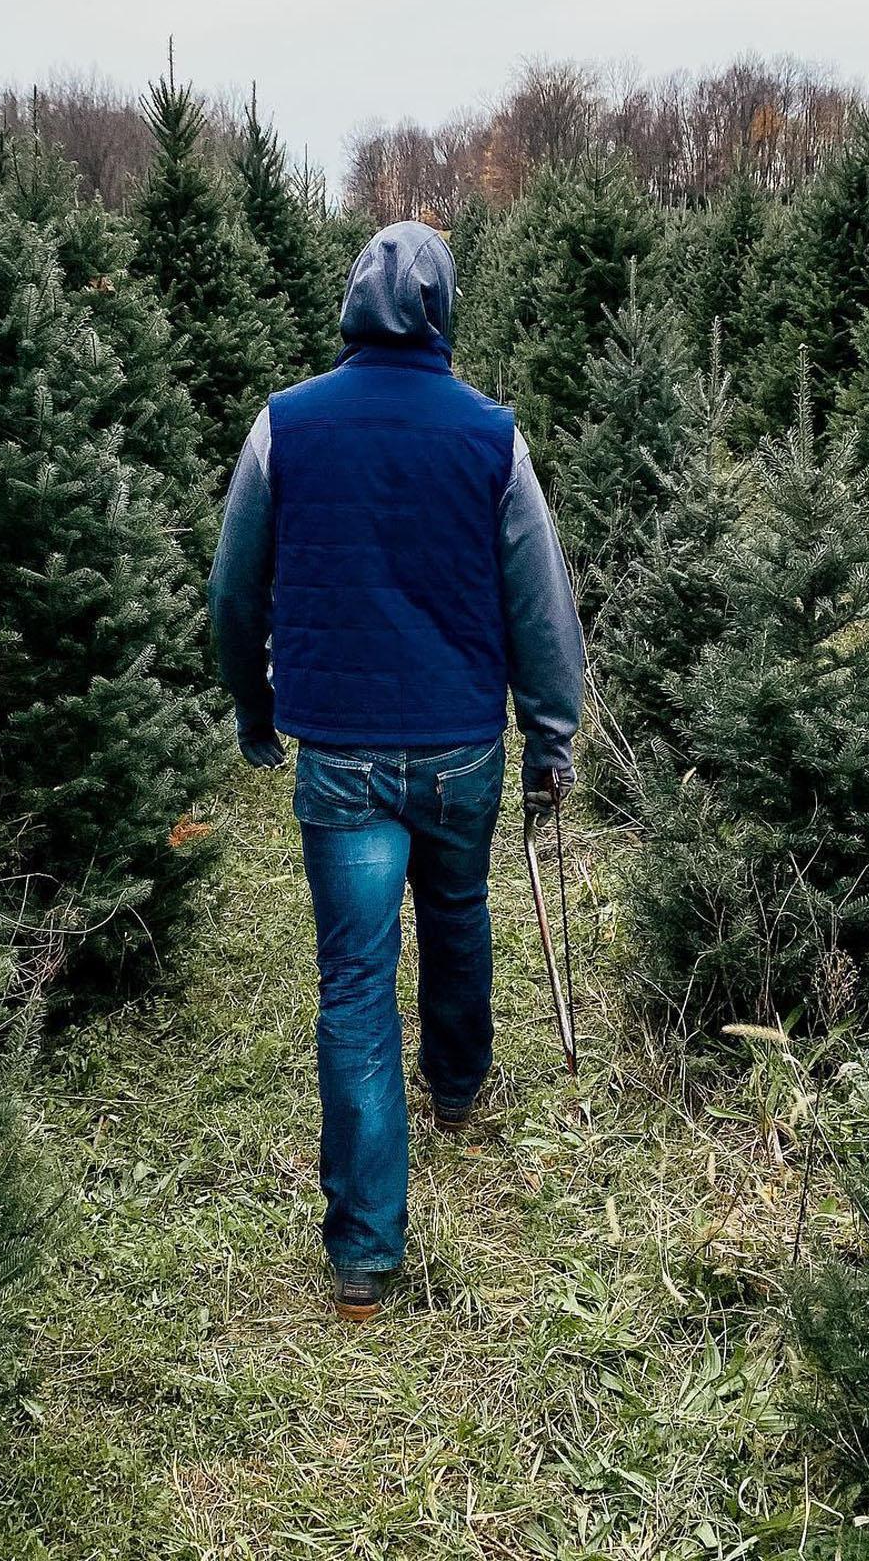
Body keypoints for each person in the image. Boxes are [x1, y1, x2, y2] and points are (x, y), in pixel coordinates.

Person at [207, 220, 584, 1322]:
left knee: (354, 983)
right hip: (461, 742)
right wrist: (549, 733)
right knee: (457, 906)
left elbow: (236, 588)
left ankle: (364, 1251)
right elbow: (537, 600)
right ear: (443, 308)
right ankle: (458, 1084)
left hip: (339, 752)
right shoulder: (489, 436)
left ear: (349, 306)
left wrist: (254, 701)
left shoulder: (285, 427)